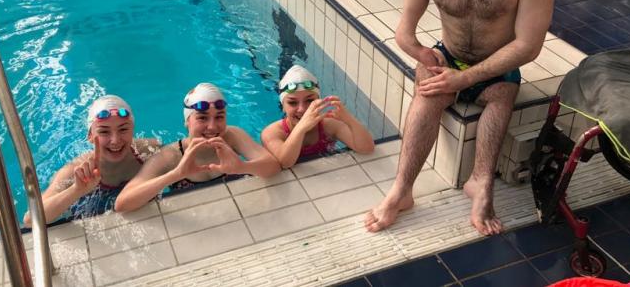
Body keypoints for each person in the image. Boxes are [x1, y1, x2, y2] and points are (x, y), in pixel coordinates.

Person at [364, 0, 556, 236]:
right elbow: (404, 31)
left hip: (498, 61)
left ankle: (480, 181)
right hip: (448, 55)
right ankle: (402, 190)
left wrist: (467, 80)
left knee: (500, 98)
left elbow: (528, 45)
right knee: (427, 90)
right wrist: (424, 55)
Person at [115, 83, 280, 212]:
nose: (212, 126)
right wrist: (176, 174)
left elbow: (273, 167)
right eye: (202, 118)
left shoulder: (232, 136)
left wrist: (242, 166)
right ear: (187, 121)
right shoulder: (171, 155)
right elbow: (123, 203)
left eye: (219, 117)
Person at [23, 95, 159, 226]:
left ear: (132, 130)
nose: (115, 140)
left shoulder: (148, 151)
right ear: (90, 136)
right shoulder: (75, 171)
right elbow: (31, 219)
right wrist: (76, 190)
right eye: (104, 132)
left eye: (123, 129)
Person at [260, 65, 375, 169]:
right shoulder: (272, 133)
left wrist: (349, 119)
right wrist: (301, 128)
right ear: (283, 106)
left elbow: (366, 148)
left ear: (319, 101)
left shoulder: (329, 125)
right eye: (292, 103)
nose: (302, 109)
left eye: (309, 100)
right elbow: (285, 163)